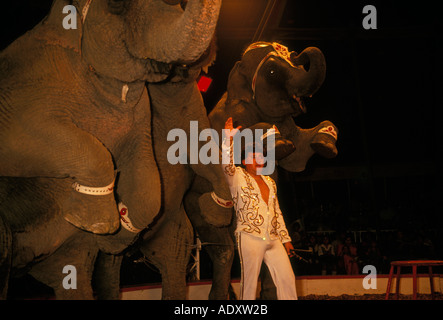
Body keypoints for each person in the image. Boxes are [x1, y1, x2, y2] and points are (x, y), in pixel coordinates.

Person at [221, 117, 297, 300]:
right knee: (250, 284)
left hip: (273, 237)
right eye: (253, 156)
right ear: (245, 160)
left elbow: (276, 211)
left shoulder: (270, 182)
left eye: (260, 156)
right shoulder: (237, 177)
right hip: (249, 236)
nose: (258, 160)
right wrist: (227, 140)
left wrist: (286, 239)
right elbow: (226, 166)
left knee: (287, 278)